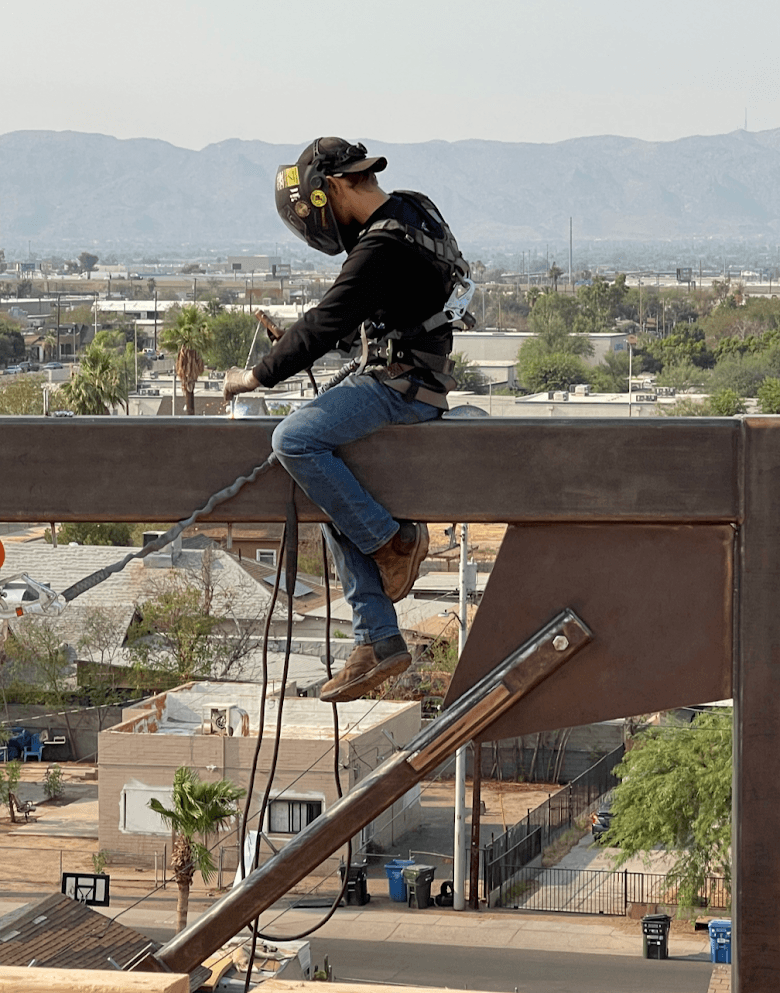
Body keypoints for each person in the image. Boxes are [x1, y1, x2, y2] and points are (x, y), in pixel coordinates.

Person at [224, 137, 472, 703]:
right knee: (332, 484)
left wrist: (255, 377)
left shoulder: (381, 246)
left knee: (296, 439)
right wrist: (295, 340)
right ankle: (378, 640)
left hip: (400, 389)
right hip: (413, 381)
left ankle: (393, 544)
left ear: (331, 188)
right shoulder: (413, 211)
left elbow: (333, 314)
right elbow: (352, 313)